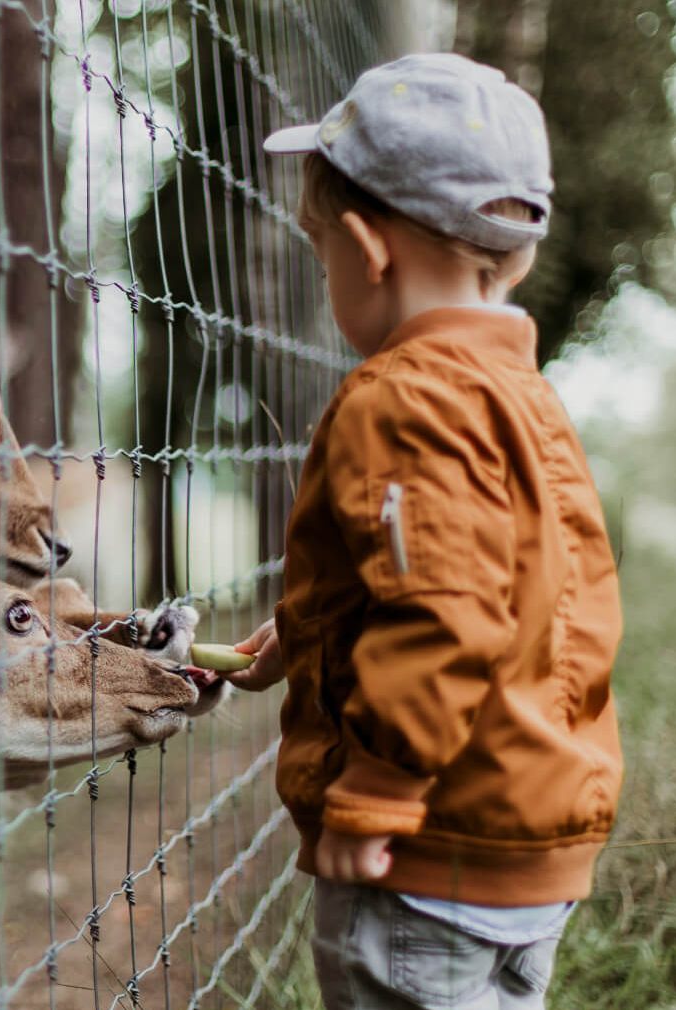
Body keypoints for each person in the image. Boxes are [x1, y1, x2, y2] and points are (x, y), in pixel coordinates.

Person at [226, 53, 623, 1009]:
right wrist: (313, 630)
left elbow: (446, 612)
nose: (330, 275)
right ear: (518, 256)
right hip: (525, 844)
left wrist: (377, 790)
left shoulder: (401, 401)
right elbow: (512, 584)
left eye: (321, 254)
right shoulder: (523, 397)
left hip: (423, 857)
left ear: (367, 250)